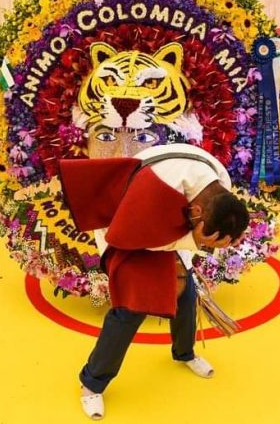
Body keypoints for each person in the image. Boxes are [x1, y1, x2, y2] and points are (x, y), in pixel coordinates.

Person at [59, 143, 250, 420]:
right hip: (124, 226)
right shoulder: (154, 190)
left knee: (186, 295)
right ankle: (92, 384)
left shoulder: (220, 182)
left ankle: (184, 353)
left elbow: (198, 227)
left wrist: (214, 238)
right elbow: (139, 239)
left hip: (166, 223)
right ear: (197, 211)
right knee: (130, 309)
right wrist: (194, 240)